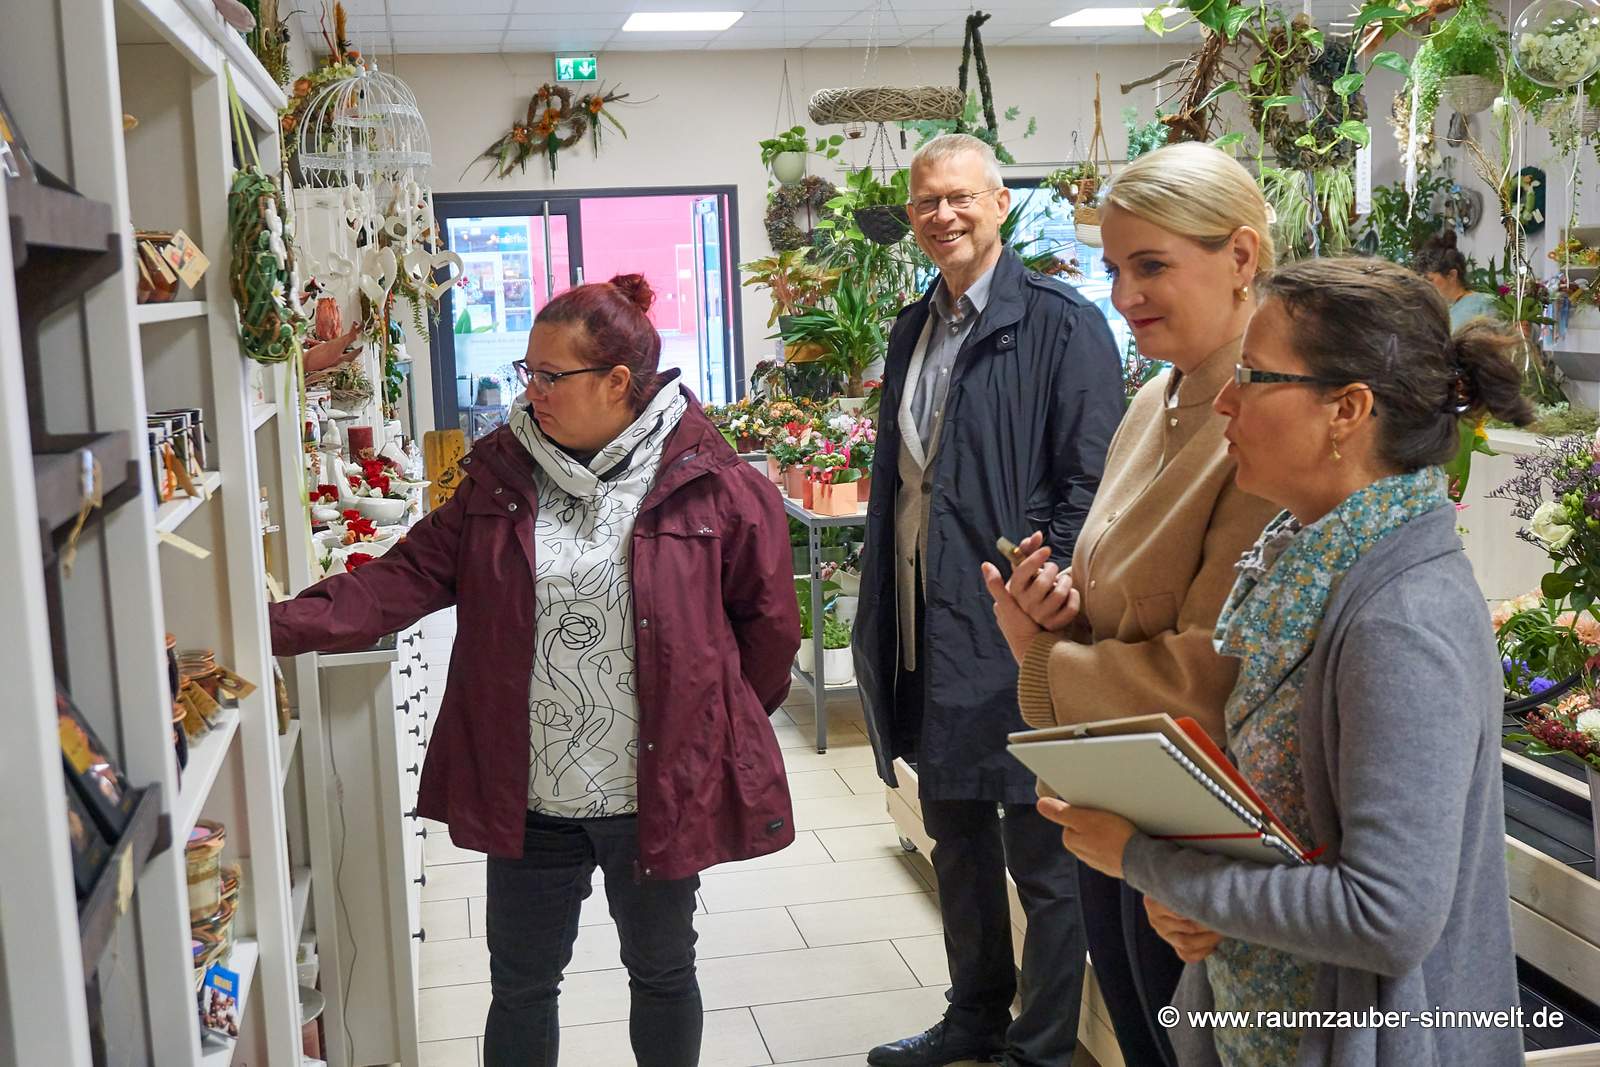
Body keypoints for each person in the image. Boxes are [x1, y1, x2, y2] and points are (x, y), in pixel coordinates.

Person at [270, 275, 801, 1067]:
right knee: (521, 985)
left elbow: (768, 632)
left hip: (653, 791)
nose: (533, 391)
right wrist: (265, 629)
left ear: (619, 383)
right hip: (532, 794)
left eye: (552, 376)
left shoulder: (717, 486)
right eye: (529, 372)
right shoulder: (502, 479)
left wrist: (707, 720)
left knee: (661, 972)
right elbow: (399, 579)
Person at [1022, 257, 1531, 1066]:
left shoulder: (1401, 619)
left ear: (1347, 411)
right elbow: (1291, 833)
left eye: (1253, 377)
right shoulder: (1303, 559)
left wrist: (1145, 860)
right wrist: (1202, 903)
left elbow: (1387, 917)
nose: (1224, 398)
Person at [980, 142, 1282, 1067]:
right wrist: (1064, 607)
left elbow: (1209, 671)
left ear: (1240, 257)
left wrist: (1041, 654)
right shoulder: (1156, 396)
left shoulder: (1270, 422)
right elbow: (1131, 598)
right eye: (1115, 267)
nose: (1124, 293)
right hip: (1122, 804)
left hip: (1209, 832)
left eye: (1152, 264)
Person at [853, 132, 1126, 1067]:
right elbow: (905, 476)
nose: (943, 216)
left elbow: (1091, 477)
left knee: (1043, 853)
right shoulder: (912, 326)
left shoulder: (1060, 322)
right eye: (927, 201)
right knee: (955, 835)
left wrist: (1032, 581)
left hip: (1018, 628)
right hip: (922, 622)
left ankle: (1043, 1047)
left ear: (1000, 201)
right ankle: (973, 1015)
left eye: (960, 198)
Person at [1416, 230, 1498, 330]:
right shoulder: (1440, 312)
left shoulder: (1483, 304)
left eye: (1430, 280)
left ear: (1452, 275)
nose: (1427, 286)